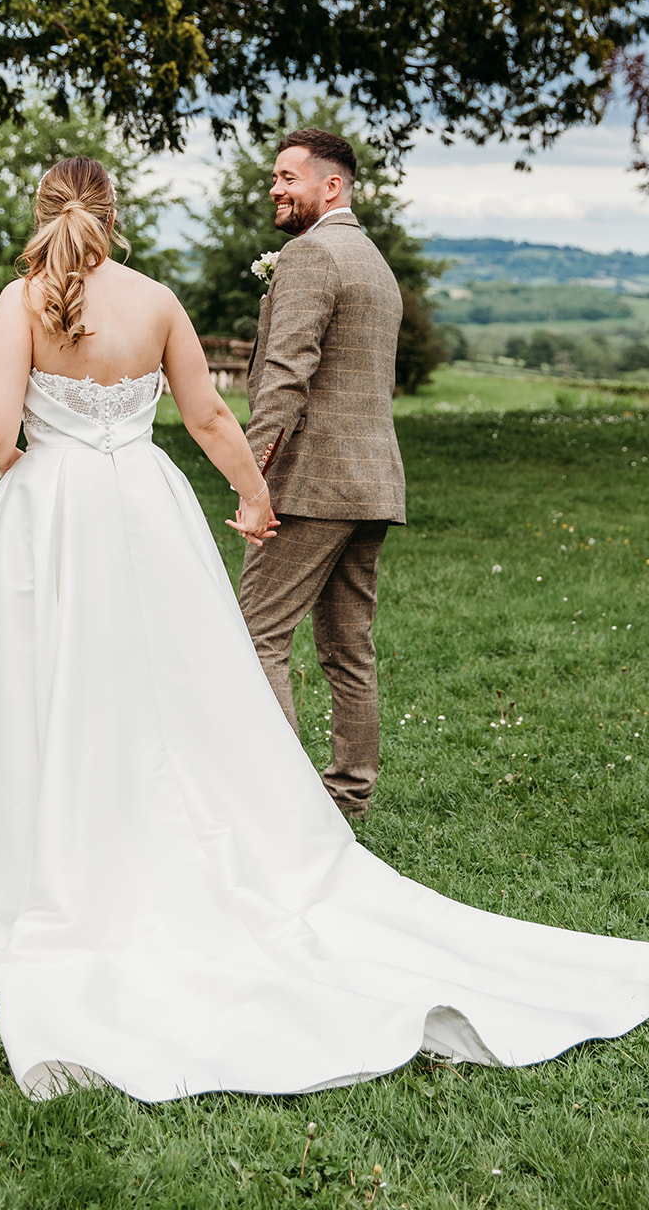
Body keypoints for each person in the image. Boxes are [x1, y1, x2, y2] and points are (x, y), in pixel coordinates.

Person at [0, 154, 649, 1104]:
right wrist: (254, 491)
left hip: (43, 507)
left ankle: (13, 842)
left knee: (24, 676)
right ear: (113, 213)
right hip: (143, 508)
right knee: (172, 679)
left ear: (43, 213)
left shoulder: (18, 301)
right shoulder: (155, 302)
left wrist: (32, 478)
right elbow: (208, 414)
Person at [238, 128, 403, 820]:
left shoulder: (309, 254)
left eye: (287, 177)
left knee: (255, 638)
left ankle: (280, 805)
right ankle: (347, 798)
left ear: (329, 186)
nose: (274, 188)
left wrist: (252, 474)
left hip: (310, 483)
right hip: (372, 483)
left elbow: (285, 374)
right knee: (346, 648)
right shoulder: (371, 261)